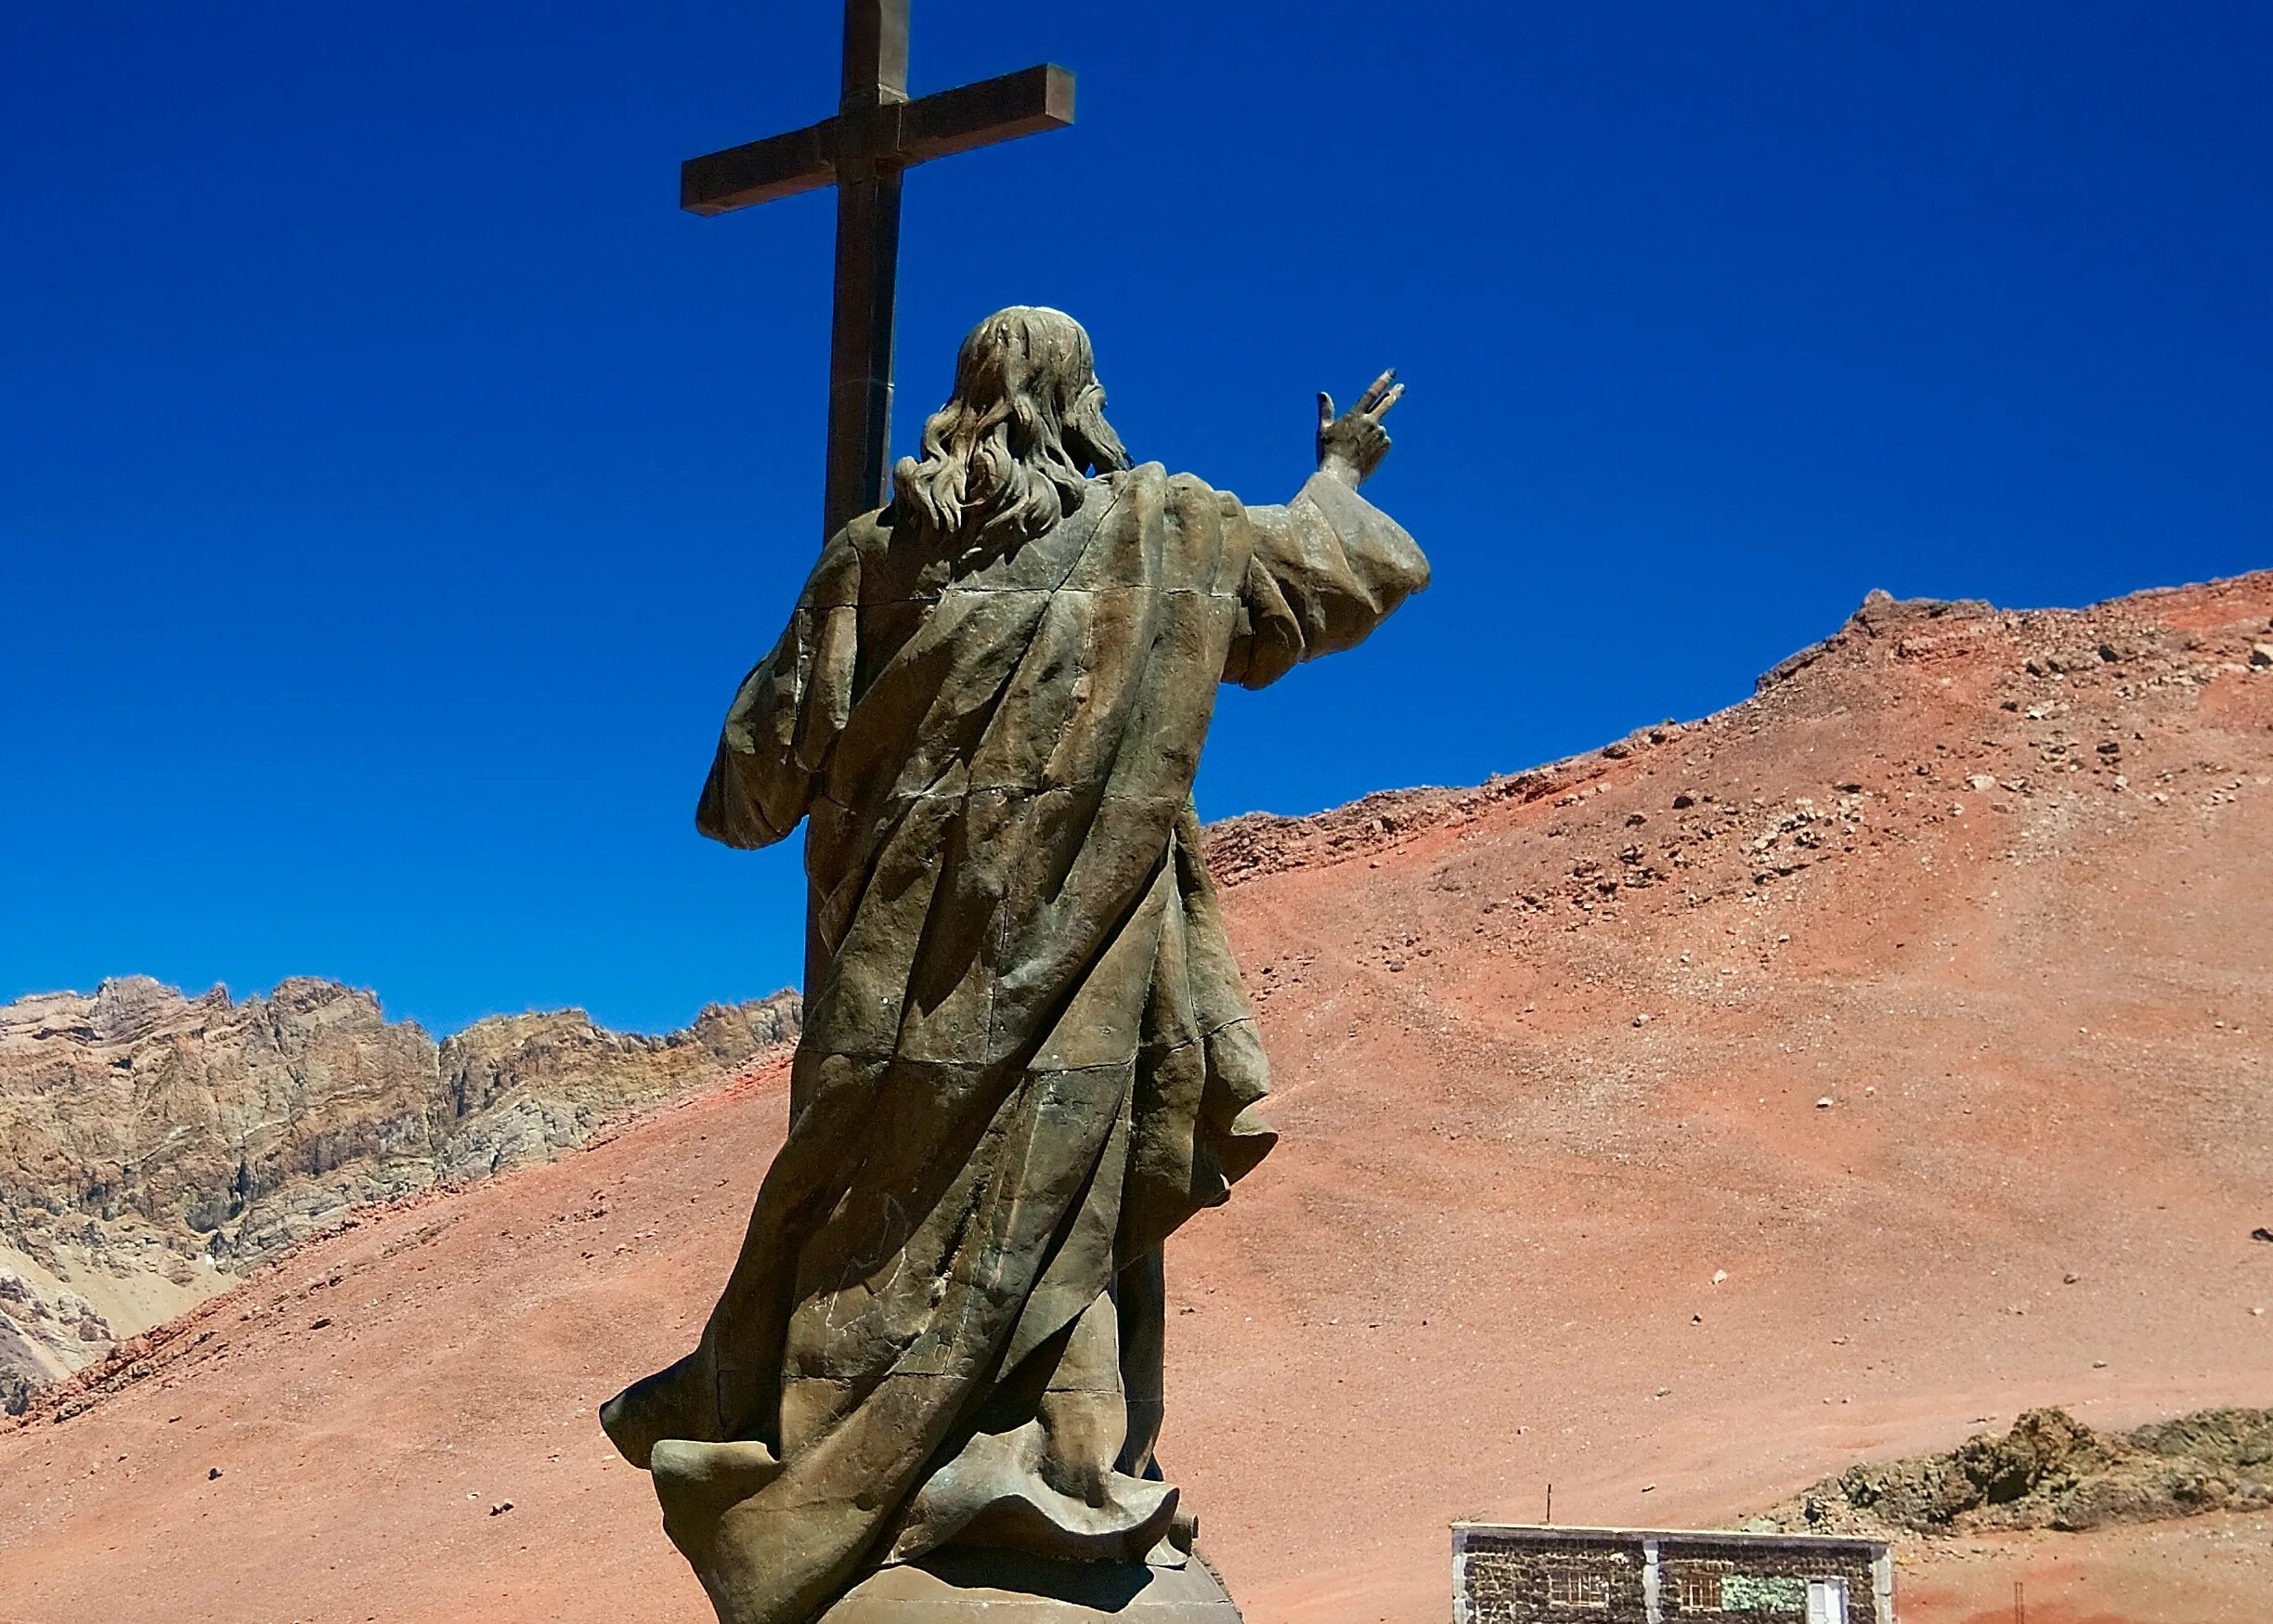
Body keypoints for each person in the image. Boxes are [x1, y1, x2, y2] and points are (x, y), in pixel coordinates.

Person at [603, 306, 1428, 1624]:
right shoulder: (1158, 534)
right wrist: (1338, 475)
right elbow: (1304, 588)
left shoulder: (870, 561)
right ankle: (1050, 1464)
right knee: (1062, 1225)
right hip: (1077, 985)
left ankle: (856, 1489)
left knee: (867, 1234)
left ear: (962, 399)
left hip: (880, 1007)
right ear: (1084, 404)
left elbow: (751, 787)